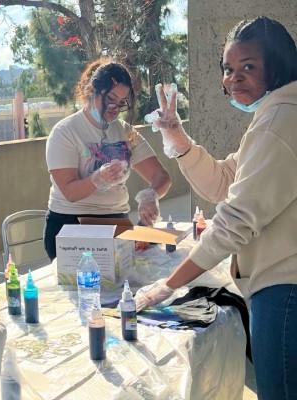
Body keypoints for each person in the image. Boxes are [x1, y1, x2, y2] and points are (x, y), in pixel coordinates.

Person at [135, 17, 297, 400]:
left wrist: (168, 285)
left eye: (248, 67)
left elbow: (234, 220)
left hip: (285, 289)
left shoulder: (280, 119)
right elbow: (223, 182)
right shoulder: (275, 114)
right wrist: (176, 136)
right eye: (228, 68)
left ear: (277, 65)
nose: (233, 78)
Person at [44, 59, 172, 260]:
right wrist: (97, 179)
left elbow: (161, 176)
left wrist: (151, 195)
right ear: (92, 91)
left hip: (116, 224)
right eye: (111, 98)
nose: (115, 107)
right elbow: (69, 192)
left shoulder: (125, 131)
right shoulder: (65, 132)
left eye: (122, 103)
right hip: (71, 225)